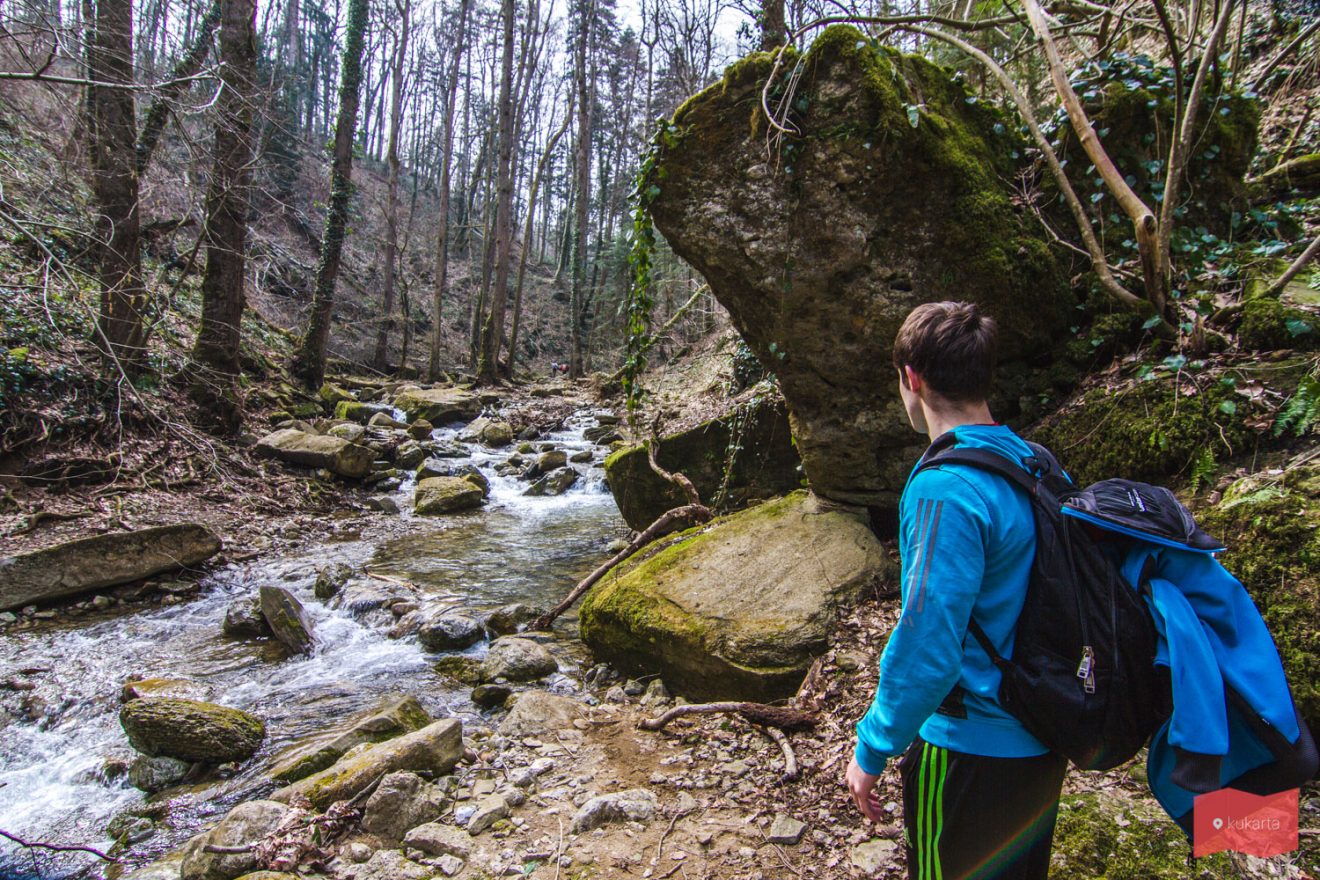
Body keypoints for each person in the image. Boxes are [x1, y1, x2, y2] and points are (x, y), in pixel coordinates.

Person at [844, 301, 1068, 880]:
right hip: (1043, 736)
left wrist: (872, 748)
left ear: (911, 380)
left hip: (971, 747)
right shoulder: (1036, 464)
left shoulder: (946, 488)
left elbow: (928, 639)